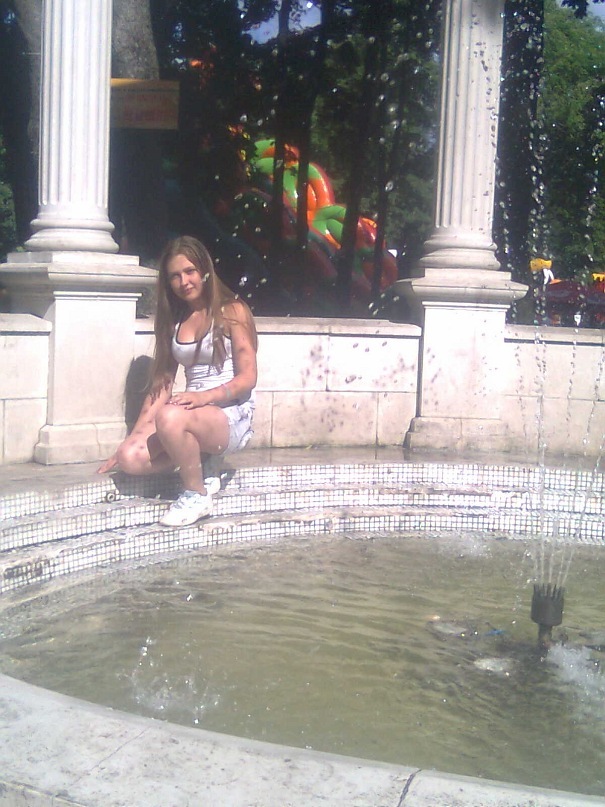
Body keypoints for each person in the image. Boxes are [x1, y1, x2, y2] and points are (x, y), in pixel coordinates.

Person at [98, 236, 258, 527]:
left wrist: (204, 397)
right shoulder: (174, 320)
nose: (184, 282)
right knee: (130, 457)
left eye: (189, 271)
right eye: (175, 276)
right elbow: (162, 385)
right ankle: (200, 462)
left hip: (230, 413)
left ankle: (196, 495)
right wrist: (133, 437)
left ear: (204, 270)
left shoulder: (233, 311)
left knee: (170, 416)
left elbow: (248, 378)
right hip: (190, 413)